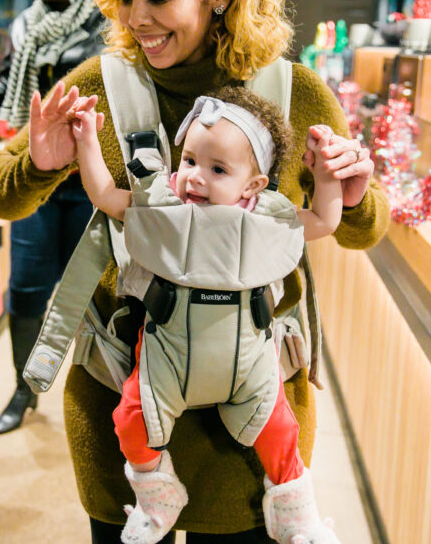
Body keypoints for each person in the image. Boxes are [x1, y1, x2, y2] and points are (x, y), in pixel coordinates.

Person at [0, 0, 388, 542]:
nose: (137, 18)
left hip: (249, 427)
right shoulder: (99, 85)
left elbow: (364, 229)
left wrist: (356, 190)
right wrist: (41, 162)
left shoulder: (294, 93)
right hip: (124, 405)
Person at [69, 85, 343, 543]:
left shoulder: (267, 219)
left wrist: (327, 176)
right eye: (190, 160)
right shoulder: (164, 207)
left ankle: (297, 517)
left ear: (254, 185)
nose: (195, 177)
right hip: (167, 359)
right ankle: (157, 497)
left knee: (281, 433)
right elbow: (104, 195)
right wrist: (87, 143)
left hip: (250, 366)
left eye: (218, 169)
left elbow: (325, 221)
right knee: (131, 421)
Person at [0, 0, 106, 435]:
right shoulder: (25, 27)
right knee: (26, 291)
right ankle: (23, 389)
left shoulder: (104, 24)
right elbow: (13, 93)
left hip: (90, 183)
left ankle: (97, 392)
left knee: (95, 296)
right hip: (38, 180)